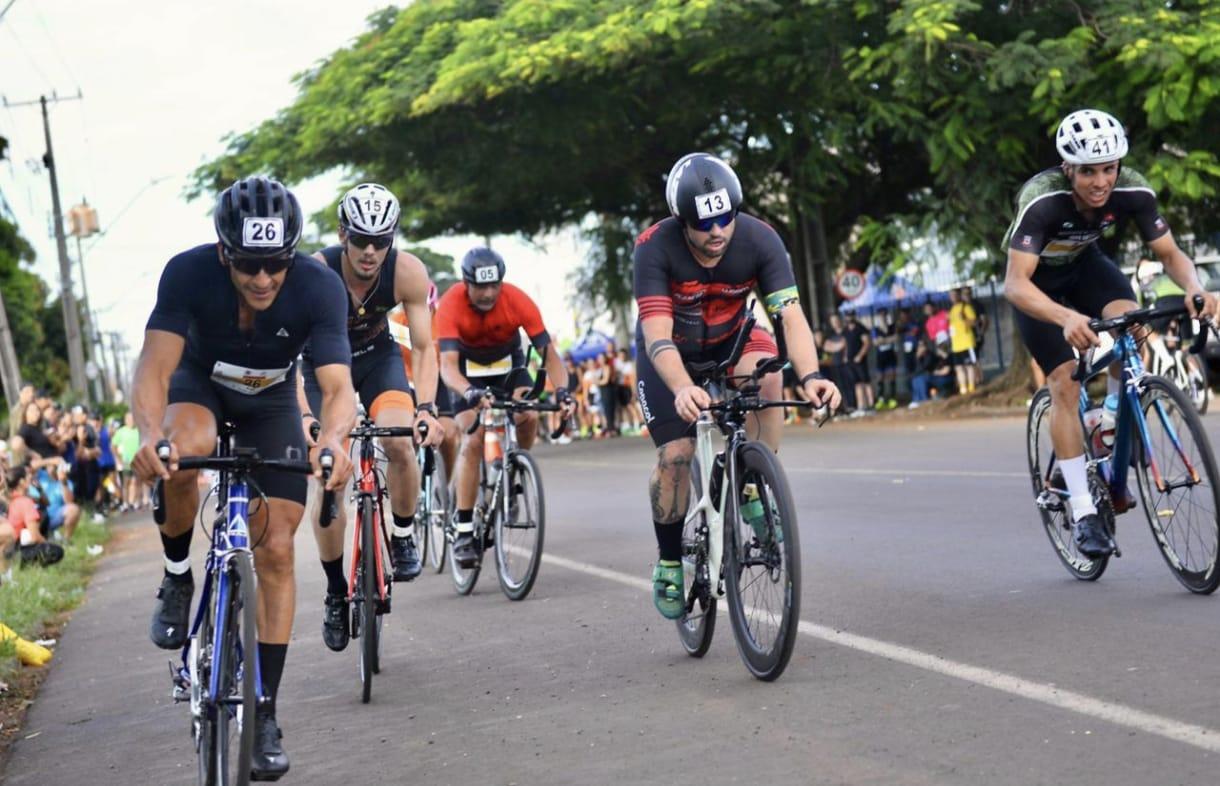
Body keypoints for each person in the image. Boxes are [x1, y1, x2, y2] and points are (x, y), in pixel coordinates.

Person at [130, 176, 355, 780]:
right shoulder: (187, 274)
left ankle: (265, 711)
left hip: (272, 402)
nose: (263, 279)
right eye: (249, 265)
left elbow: (337, 389)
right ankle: (178, 575)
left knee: (278, 547)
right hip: (199, 390)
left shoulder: (319, 286)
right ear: (225, 252)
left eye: (276, 264)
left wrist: (333, 440)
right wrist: (149, 435)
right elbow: (154, 367)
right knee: (182, 451)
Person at [633, 152, 840, 619]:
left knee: (771, 377)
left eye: (725, 218)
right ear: (682, 221)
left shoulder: (760, 239)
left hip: (733, 340)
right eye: (704, 224)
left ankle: (751, 486)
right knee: (676, 455)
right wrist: (683, 387)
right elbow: (657, 337)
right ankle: (669, 558)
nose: (717, 232)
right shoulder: (654, 247)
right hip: (671, 352)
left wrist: (814, 376)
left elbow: (790, 315)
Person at [1003, 108, 1218, 559]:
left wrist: (1196, 287)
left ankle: (1109, 416)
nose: (1100, 182)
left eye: (1108, 169)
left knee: (1132, 325)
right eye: (1087, 172)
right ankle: (1083, 513)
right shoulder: (1042, 199)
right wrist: (1063, 318)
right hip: (1040, 288)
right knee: (1064, 381)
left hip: (1085, 268)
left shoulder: (1133, 189)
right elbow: (1016, 284)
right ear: (1068, 168)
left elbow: (1170, 252)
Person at [296, 182, 443, 654]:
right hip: (322, 365)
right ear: (342, 233)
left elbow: (423, 346)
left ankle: (401, 535)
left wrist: (426, 408)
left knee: (400, 442)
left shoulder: (407, 272)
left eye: (382, 241)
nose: (371, 251)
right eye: (361, 239)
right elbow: (286, 355)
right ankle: (336, 592)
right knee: (330, 473)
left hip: (377, 358)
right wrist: (304, 415)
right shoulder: (314, 273)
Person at [435, 247, 575, 568]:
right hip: (466, 374)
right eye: (479, 287)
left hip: (508, 367)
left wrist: (564, 392)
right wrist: (469, 392)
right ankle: (466, 529)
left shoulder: (517, 300)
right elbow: (447, 367)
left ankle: (513, 470)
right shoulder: (451, 303)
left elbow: (549, 355)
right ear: (465, 282)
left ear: (501, 282)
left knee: (527, 412)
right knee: (472, 438)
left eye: (493, 286)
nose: (487, 294)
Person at [948, 287, 979, 394]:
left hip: (966, 342)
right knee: (959, 367)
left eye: (954, 295)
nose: (952, 297)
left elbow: (974, 323)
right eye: (950, 295)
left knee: (970, 365)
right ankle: (963, 388)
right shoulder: (952, 310)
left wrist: (964, 318)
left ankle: (971, 387)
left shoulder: (966, 307)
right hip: (956, 345)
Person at [843, 311, 874, 415]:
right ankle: (861, 406)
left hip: (860, 360)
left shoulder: (861, 328)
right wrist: (845, 356)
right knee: (857, 383)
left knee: (866, 382)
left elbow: (867, 343)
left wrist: (860, 355)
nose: (849, 317)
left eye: (850, 315)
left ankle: (871, 405)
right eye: (847, 315)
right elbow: (846, 344)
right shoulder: (846, 330)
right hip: (850, 361)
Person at [112, 412, 144, 510]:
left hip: (138, 461)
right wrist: (119, 458)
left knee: (138, 482)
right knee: (126, 483)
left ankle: (137, 502)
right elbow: (113, 446)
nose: (131, 421)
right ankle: (125, 503)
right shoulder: (121, 432)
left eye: (132, 419)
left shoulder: (138, 431)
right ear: (125, 420)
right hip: (126, 461)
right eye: (128, 419)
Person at [872, 307, 899, 409]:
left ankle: (892, 398)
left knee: (892, 376)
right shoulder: (876, 329)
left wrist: (884, 340)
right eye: (880, 315)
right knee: (880, 378)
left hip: (891, 354)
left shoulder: (892, 327)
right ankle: (881, 399)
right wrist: (889, 340)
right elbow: (875, 342)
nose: (882, 317)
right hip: (880, 356)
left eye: (884, 315)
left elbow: (896, 337)